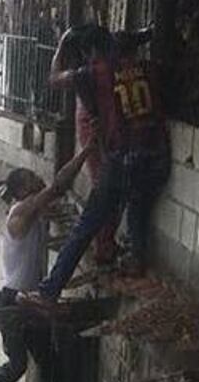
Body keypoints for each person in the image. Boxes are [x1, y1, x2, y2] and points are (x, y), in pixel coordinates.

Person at [37, 25, 170, 299]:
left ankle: (48, 291)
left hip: (123, 159)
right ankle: (135, 262)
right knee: (138, 207)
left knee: (86, 226)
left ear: (89, 51)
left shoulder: (94, 73)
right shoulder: (146, 67)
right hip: (157, 154)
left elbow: (53, 79)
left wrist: (62, 43)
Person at [0, 145, 92, 382]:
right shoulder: (20, 212)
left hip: (33, 299)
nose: (39, 180)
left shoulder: (34, 215)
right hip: (12, 299)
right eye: (32, 179)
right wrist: (87, 149)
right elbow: (57, 187)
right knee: (18, 364)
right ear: (22, 191)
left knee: (48, 361)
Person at [51, 22, 155, 269]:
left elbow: (54, 79)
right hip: (106, 128)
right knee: (106, 190)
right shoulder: (105, 66)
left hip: (105, 127)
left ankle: (105, 246)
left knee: (107, 191)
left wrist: (61, 45)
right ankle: (104, 246)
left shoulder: (89, 72)